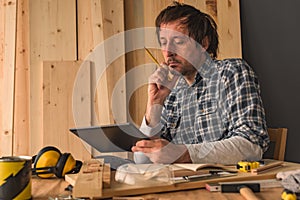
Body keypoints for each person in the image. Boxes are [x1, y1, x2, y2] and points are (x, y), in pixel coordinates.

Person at [131, 2, 269, 165]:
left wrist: (182, 154)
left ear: (203, 43)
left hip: (224, 184)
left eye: (179, 42)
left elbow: (252, 146)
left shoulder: (231, 72)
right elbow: (141, 160)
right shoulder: (170, 91)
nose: (168, 52)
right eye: (163, 42)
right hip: (181, 184)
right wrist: (154, 104)